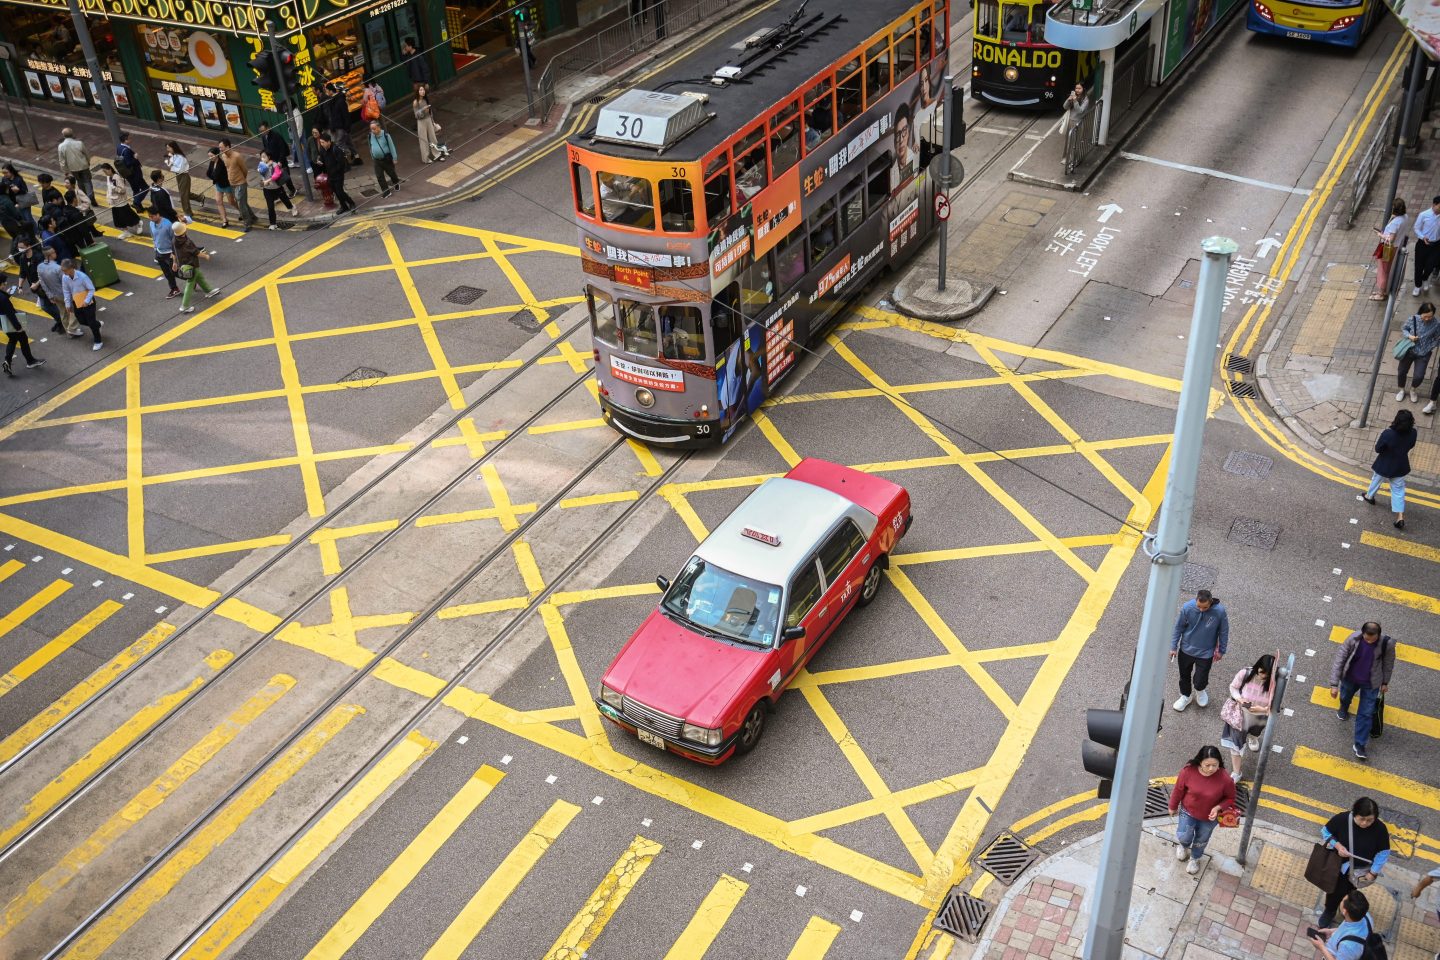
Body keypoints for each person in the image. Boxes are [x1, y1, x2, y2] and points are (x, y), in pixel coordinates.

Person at [1316, 799, 1389, 928]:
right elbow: (1325, 832)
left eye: (1370, 820)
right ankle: (1330, 910)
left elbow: (1383, 852)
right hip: (1338, 865)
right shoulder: (1342, 819)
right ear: (1355, 814)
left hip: (1358, 871)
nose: (1365, 823)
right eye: (1362, 819)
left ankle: (1346, 910)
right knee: (1333, 890)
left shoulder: (1380, 829)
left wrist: (1373, 872)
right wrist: (1338, 846)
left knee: (1351, 891)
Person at [1328, 622, 1394, 761]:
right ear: (1362, 633)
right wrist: (1334, 684)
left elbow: (1388, 664)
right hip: (1350, 679)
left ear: (1378, 634)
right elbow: (1340, 660)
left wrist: (1385, 682)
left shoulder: (1387, 644)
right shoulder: (1353, 639)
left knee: (1366, 714)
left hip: (1371, 683)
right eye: (1366, 638)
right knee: (1345, 696)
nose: (1369, 641)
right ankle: (1343, 707)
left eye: (1372, 639)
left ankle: (1360, 745)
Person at [1168, 745, 1235, 876]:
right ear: (1200, 762)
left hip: (1209, 818)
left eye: (1215, 765)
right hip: (1188, 812)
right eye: (1207, 765)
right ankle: (1183, 846)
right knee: (1184, 835)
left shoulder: (1225, 779)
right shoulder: (1188, 771)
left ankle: (1195, 858)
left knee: (1201, 839)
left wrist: (1218, 807)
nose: (1211, 769)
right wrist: (1172, 806)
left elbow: (1230, 798)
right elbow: (1178, 790)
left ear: (1219, 763)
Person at [1169, 588, 1229, 711]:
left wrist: (1221, 650)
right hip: (1186, 649)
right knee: (1184, 675)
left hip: (1206, 652)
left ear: (1211, 602)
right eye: (1199, 606)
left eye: (1205, 607)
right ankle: (1185, 696)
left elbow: (1223, 631)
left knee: (1201, 678)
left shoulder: (1219, 612)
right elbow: (1178, 627)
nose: (1201, 609)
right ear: (1196, 600)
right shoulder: (1187, 608)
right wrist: (1173, 647)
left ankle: (1200, 690)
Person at [1359, 409, 1417, 529]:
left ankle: (1370, 497)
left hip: (1384, 464)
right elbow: (1411, 445)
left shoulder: (1388, 433)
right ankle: (1400, 517)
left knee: (1376, 479)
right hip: (1400, 466)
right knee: (1398, 491)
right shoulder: (1413, 433)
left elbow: (1378, 449)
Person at [1220, 654, 1272, 780]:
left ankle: (1253, 738)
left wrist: (1263, 709)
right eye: (1261, 672)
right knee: (1235, 743)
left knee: (1255, 732)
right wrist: (1240, 699)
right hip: (1240, 714)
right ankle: (1236, 772)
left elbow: (1276, 705)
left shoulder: (1274, 683)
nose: (1263, 676)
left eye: (1267, 674)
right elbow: (1233, 687)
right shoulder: (1245, 673)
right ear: (1257, 667)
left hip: (1259, 717)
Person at [1308, 890, 1374, 960]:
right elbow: (1352, 931)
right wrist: (1331, 931)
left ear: (1344, 911)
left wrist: (1322, 948)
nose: (1340, 901)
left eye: (1342, 900)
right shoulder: (1366, 916)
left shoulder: (1347, 947)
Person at [1395, 302, 1439, 404]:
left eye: (1430, 316)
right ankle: (1401, 390)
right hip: (1409, 350)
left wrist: (1429, 347)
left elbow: (1437, 338)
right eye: (1425, 316)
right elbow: (1404, 329)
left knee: (1419, 376)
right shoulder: (1413, 319)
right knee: (1402, 371)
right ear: (1420, 313)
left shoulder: (1436, 324)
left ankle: (1413, 390)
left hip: (1424, 354)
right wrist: (1410, 336)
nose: (1427, 319)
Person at [171, 220, 219, 313]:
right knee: (190, 284)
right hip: (191, 265)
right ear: (184, 231)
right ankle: (184, 306)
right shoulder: (187, 242)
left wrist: (174, 262)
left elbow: (173, 252)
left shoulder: (174, 240)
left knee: (199, 277)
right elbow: (196, 252)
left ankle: (208, 291)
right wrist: (206, 256)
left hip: (183, 266)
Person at [0, 282, 45, 376]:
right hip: (11, 322)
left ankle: (7, 361)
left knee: (12, 340)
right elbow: (10, 314)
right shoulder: (2, 298)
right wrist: (18, 327)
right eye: (4, 283)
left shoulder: (2, 296)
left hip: (3, 322)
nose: (5, 284)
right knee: (23, 339)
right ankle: (30, 361)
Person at [59, 257, 103, 350]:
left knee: (91, 322)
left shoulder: (83, 277)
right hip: (76, 302)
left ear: (71, 268)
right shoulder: (65, 277)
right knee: (81, 320)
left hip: (88, 302)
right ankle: (98, 324)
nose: (63, 272)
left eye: (65, 270)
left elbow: (91, 289)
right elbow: (66, 291)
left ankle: (98, 341)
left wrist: (86, 301)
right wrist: (67, 304)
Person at [36, 244, 78, 337]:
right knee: (72, 312)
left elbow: (42, 283)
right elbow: (66, 282)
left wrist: (50, 295)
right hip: (65, 294)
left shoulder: (40, 267)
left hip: (54, 295)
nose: (56, 253)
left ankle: (68, 331)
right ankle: (72, 329)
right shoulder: (58, 268)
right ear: (50, 255)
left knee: (63, 313)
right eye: (54, 252)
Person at [1372, 198, 1407, 300]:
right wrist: (1392, 218)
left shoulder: (1395, 223)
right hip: (1395, 247)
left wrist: (1379, 234)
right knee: (1386, 269)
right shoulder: (1405, 217)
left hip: (1388, 248)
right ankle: (1382, 290)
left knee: (1383, 270)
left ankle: (1381, 294)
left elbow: (1391, 239)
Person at [220, 139, 257, 231]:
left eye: (221, 147)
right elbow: (228, 169)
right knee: (242, 203)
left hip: (240, 183)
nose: (220, 149)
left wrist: (242, 179)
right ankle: (253, 217)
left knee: (240, 204)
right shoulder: (223, 156)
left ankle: (247, 223)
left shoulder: (237, 156)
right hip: (231, 183)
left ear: (227, 147)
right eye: (219, 148)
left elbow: (245, 170)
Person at [314, 133, 356, 214]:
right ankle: (344, 206)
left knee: (340, 191)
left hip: (338, 175)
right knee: (336, 192)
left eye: (323, 142)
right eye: (321, 142)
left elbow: (341, 163)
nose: (321, 144)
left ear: (328, 141)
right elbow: (322, 159)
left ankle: (351, 203)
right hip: (330, 175)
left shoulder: (336, 149)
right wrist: (320, 162)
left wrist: (336, 171)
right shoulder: (322, 150)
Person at [100, 163, 144, 237]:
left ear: (110, 169)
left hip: (121, 201)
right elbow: (109, 188)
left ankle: (138, 223)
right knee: (118, 219)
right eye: (103, 172)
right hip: (114, 202)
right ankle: (126, 232)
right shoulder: (109, 177)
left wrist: (114, 188)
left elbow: (123, 190)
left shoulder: (117, 177)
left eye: (105, 171)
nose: (105, 173)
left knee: (128, 216)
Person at [146, 208, 181, 299]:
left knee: (176, 272)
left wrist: (173, 254)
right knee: (167, 273)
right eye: (149, 216)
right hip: (159, 252)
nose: (150, 218)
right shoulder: (151, 223)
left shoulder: (168, 224)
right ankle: (174, 289)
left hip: (169, 253)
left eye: (152, 216)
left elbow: (174, 239)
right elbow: (153, 237)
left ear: (158, 214)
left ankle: (191, 279)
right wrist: (155, 248)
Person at [257, 123, 296, 199]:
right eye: (261, 131)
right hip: (272, 160)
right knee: (275, 177)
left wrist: (280, 161)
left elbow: (282, 148)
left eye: (263, 130)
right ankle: (279, 194)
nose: (262, 132)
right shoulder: (264, 137)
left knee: (285, 175)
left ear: (268, 128)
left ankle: (292, 190)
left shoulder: (276, 135)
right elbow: (266, 148)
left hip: (280, 159)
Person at [323, 81, 358, 164]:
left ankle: (347, 158)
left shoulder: (339, 100)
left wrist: (347, 127)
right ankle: (357, 157)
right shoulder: (332, 100)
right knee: (349, 142)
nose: (326, 93)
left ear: (330, 91)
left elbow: (345, 115)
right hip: (339, 126)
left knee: (339, 144)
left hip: (341, 126)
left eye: (327, 91)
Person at [257, 151, 294, 229]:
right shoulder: (261, 165)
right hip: (267, 190)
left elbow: (277, 175)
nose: (262, 158)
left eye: (264, 156)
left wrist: (268, 180)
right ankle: (273, 223)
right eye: (261, 157)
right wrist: (267, 165)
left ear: (269, 157)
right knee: (270, 207)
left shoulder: (275, 165)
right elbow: (261, 171)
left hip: (277, 188)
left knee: (285, 200)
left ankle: (292, 207)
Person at [1412, 195, 1440, 296]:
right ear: (1434, 205)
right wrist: (1423, 237)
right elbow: (1416, 228)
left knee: (1430, 266)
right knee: (1419, 266)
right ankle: (1417, 286)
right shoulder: (1424, 215)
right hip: (1422, 244)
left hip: (1436, 245)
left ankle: (1425, 278)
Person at [205, 147, 237, 229]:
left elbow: (215, 176)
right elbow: (208, 173)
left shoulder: (221, 164)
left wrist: (213, 176)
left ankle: (242, 212)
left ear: (217, 155)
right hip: (218, 184)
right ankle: (224, 220)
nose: (210, 158)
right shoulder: (212, 162)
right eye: (209, 156)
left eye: (211, 156)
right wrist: (213, 177)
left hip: (226, 185)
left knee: (231, 202)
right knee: (218, 201)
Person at [368, 119, 401, 198]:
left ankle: (396, 182)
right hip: (377, 160)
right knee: (379, 176)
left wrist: (395, 158)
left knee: (391, 173)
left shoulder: (386, 135)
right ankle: (386, 192)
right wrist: (373, 156)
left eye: (374, 128)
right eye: (371, 129)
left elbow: (392, 147)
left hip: (386, 159)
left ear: (379, 127)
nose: (373, 131)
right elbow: (370, 146)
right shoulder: (370, 136)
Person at [57, 128, 92, 200]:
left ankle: (84, 197)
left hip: (72, 168)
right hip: (84, 166)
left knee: (79, 181)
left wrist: (65, 171)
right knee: (87, 181)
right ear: (72, 134)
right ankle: (91, 197)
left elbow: (62, 160)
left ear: (63, 135)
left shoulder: (61, 146)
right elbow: (86, 154)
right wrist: (88, 162)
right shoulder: (79, 143)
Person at [114, 133, 146, 210]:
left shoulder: (119, 147)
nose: (131, 139)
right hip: (134, 173)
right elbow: (128, 163)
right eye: (129, 138)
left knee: (135, 189)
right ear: (126, 140)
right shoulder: (127, 150)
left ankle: (139, 208)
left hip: (127, 174)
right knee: (145, 188)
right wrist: (135, 158)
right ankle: (136, 203)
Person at [413, 84, 444, 163]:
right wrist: (424, 110)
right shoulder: (416, 102)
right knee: (423, 140)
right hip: (421, 122)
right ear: (417, 92)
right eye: (420, 90)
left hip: (429, 120)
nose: (422, 91)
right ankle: (426, 159)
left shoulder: (425, 100)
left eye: (423, 90)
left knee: (433, 137)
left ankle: (437, 154)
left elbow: (430, 113)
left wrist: (433, 121)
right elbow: (416, 115)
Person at [165, 142, 195, 221]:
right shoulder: (174, 155)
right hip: (178, 176)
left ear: (173, 147)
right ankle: (200, 198)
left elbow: (179, 169)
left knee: (183, 195)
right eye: (167, 148)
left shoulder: (180, 157)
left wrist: (171, 166)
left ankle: (188, 213)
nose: (167, 149)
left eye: (169, 148)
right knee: (185, 193)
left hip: (183, 176)